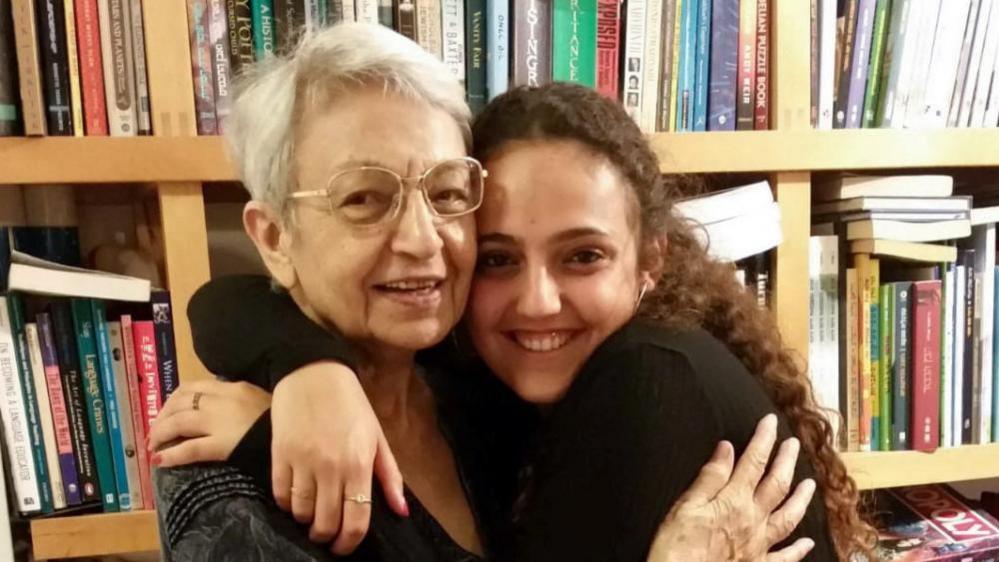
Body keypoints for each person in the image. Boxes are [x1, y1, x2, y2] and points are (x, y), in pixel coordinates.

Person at [150, 23, 816, 562]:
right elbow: (227, 302)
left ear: (649, 259)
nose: (421, 239)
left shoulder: (527, 398)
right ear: (274, 239)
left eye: (444, 194)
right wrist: (304, 369)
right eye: (362, 198)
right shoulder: (230, 494)